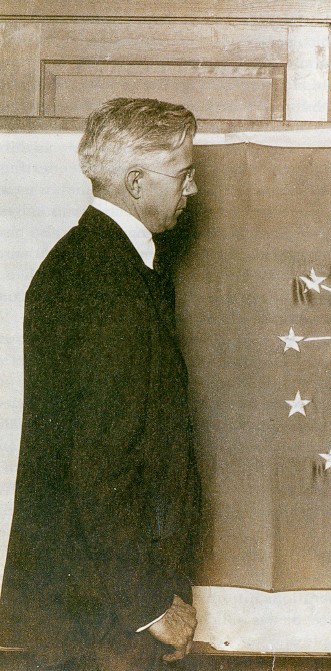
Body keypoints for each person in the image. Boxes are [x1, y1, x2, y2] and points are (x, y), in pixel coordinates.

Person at [0, 98, 202, 669]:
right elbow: (101, 461)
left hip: (95, 600)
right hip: (101, 616)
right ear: (136, 182)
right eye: (184, 174)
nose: (193, 191)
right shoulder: (107, 281)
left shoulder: (99, 262)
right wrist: (147, 604)